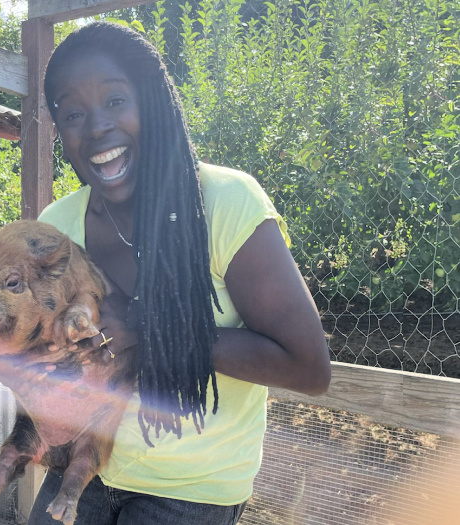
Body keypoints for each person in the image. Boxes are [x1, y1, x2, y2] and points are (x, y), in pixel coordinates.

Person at [33, 21, 331, 524]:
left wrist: (149, 332)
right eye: (74, 114)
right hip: (82, 471)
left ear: (152, 102)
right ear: (60, 131)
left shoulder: (226, 204)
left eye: (116, 101)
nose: (98, 126)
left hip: (189, 490)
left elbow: (308, 368)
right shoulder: (55, 227)